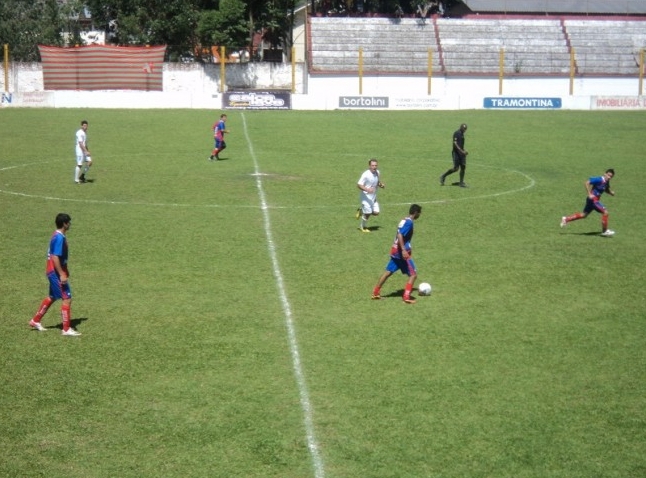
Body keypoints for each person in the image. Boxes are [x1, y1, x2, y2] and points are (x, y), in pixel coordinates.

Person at [29, 213, 81, 335]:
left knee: (52, 297)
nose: (70, 224)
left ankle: (35, 320)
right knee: (67, 298)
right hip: (55, 273)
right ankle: (66, 329)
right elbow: (55, 257)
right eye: (69, 222)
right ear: (64, 224)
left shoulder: (57, 235)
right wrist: (62, 273)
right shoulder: (59, 238)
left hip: (52, 271)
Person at [372, 204, 422, 304]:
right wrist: (403, 250)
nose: (419, 215)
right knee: (413, 275)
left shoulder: (404, 219)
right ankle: (406, 297)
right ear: (416, 212)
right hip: (401, 253)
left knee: (388, 272)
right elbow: (400, 235)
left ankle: (375, 293)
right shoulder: (409, 223)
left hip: (395, 251)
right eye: (419, 213)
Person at [560, 168, 616, 237]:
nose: (609, 177)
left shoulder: (606, 182)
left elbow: (605, 189)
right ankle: (605, 231)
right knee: (605, 212)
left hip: (592, 200)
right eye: (608, 175)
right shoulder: (599, 179)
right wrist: (589, 194)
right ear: (605, 174)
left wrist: (611, 193)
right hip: (593, 200)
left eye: (611, 176)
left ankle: (566, 219)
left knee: (584, 215)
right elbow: (587, 182)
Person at [356, 158, 385, 232]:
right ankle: (363, 227)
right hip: (365, 197)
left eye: (376, 165)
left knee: (376, 212)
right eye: (373, 165)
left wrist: (380, 185)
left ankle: (362, 210)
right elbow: (359, 184)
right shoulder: (366, 174)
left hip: (373, 197)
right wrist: (367, 189)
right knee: (368, 213)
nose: (374, 167)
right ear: (369, 166)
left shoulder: (377, 172)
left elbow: (377, 181)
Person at [439, 123, 468, 187]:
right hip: (456, 153)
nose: (464, 130)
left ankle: (461, 183)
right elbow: (455, 144)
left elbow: (461, 145)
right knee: (456, 168)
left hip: (461, 153)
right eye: (463, 129)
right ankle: (443, 176)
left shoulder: (462, 134)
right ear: (460, 127)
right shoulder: (456, 133)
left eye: (465, 129)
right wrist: (462, 151)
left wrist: (464, 151)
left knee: (463, 166)